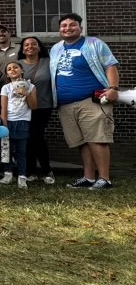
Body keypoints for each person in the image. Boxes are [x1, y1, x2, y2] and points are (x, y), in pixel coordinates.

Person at [49, 13, 120, 190]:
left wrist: (113, 88)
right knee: (81, 142)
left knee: (97, 139)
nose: (67, 28)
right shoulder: (56, 48)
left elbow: (110, 65)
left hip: (92, 101)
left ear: (80, 27)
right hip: (65, 104)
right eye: (63, 26)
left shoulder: (94, 44)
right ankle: (88, 178)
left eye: (72, 25)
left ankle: (104, 178)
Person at [19, 36, 55, 184]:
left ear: (39, 47)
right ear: (22, 49)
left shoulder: (49, 62)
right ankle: (31, 171)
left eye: (34, 44)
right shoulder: (18, 64)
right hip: (23, 107)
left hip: (43, 106)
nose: (30, 46)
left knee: (38, 137)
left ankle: (47, 171)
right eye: (26, 44)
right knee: (28, 138)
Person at [0, 62, 38, 188]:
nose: (12, 70)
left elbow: (34, 106)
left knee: (21, 151)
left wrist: (26, 93)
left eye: (15, 67)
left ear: (22, 70)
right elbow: (3, 109)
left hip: (23, 122)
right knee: (7, 150)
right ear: (7, 74)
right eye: (9, 69)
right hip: (9, 122)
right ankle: (8, 174)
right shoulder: (6, 88)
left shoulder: (31, 87)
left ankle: (22, 176)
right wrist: (4, 124)